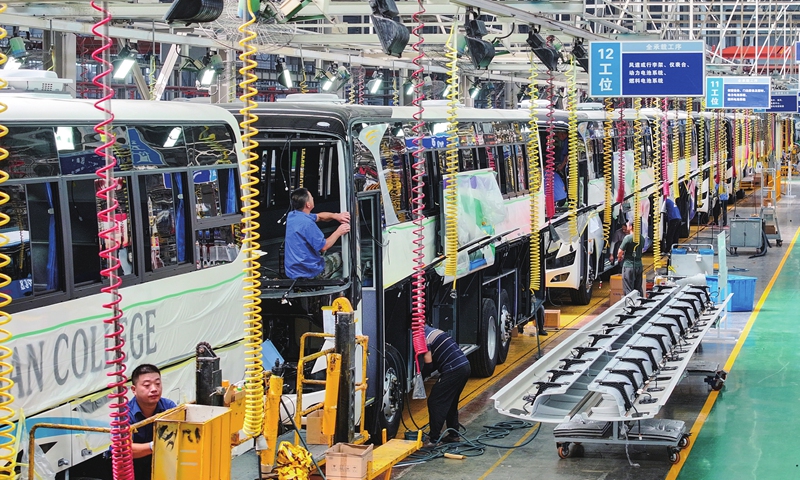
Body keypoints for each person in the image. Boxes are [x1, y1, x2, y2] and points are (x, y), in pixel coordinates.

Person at [420, 325, 471, 446]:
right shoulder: (435, 331)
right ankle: (453, 434)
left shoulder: (423, 337)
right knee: (451, 401)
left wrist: (419, 378)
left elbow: (429, 364)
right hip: (464, 366)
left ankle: (434, 438)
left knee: (435, 401)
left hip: (453, 369)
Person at [284, 187, 350, 279]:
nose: (313, 198)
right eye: (311, 197)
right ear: (308, 204)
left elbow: (319, 216)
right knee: (342, 256)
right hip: (309, 273)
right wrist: (339, 231)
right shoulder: (307, 224)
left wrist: (336, 216)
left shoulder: (292, 216)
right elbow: (324, 247)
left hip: (293, 271)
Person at [128, 364, 177, 480]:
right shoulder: (125, 415)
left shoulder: (169, 407)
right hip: (133, 468)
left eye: (157, 384)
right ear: (134, 390)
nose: (154, 389)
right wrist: (154, 446)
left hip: (161, 464)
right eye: (147, 385)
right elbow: (125, 450)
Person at [617, 222, 645, 297]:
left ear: (631, 227)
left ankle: (630, 306)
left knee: (628, 289)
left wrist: (619, 257)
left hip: (629, 266)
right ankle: (640, 304)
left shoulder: (628, 238)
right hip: (639, 266)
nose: (626, 226)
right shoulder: (641, 238)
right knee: (638, 288)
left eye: (627, 225)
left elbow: (620, 251)